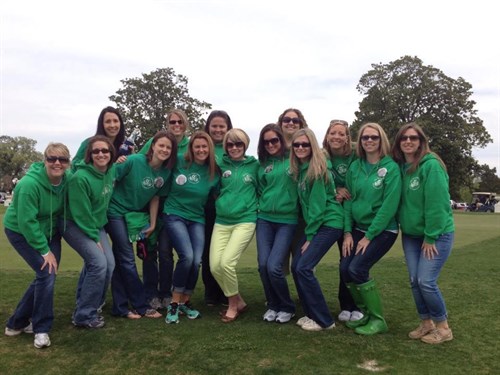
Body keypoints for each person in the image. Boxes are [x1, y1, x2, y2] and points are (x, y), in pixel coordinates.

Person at [392, 122, 454, 344]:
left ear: (421, 141)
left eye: (413, 138)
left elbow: (437, 205)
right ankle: (426, 323)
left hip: (435, 235)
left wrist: (431, 236)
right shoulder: (400, 167)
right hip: (410, 235)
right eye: (404, 138)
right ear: (399, 142)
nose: (408, 141)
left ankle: (443, 328)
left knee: (426, 281)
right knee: (414, 280)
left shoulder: (431, 166)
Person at [3, 143, 70, 349]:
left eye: (62, 159)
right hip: (20, 231)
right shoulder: (28, 185)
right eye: (52, 159)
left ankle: (16, 323)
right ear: (45, 160)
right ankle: (41, 329)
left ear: (68, 163)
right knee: (47, 274)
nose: (57, 163)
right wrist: (44, 250)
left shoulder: (67, 179)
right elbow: (27, 222)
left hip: (50, 232)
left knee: (45, 276)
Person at [106, 131, 177, 319]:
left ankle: (120, 307)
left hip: (135, 216)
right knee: (127, 258)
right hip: (115, 212)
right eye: (161, 145)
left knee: (121, 259)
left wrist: (152, 223)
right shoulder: (133, 161)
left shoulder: (165, 172)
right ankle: (141, 305)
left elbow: (155, 197)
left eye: (168, 147)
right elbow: (110, 179)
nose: (164, 149)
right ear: (153, 146)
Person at [341, 122, 402, 335]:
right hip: (358, 228)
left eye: (373, 137)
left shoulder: (391, 168)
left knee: (357, 269)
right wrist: (348, 232)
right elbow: (348, 200)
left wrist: (369, 235)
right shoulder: (355, 167)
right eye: (365, 137)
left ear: (381, 140)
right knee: (344, 269)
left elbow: (389, 206)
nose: (369, 141)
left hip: (384, 230)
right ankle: (365, 313)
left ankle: (378, 320)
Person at [289, 128, 344, 331]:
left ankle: (324, 320)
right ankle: (311, 313)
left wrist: (310, 237)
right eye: (297, 145)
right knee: (297, 267)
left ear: (312, 146)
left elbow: (318, 207)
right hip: (319, 225)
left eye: (305, 144)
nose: (301, 148)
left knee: (303, 267)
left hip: (329, 224)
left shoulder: (318, 170)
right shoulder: (301, 170)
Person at [163, 131, 220, 324]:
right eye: (197, 146)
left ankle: (185, 301)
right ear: (191, 148)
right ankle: (174, 303)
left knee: (196, 261)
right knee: (187, 256)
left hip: (197, 218)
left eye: (205, 146)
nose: (201, 150)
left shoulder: (213, 171)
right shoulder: (179, 161)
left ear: (210, 149)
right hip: (174, 214)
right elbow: (154, 164)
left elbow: (221, 195)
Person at [139, 109, 191, 309]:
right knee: (150, 251)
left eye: (180, 121)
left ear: (186, 124)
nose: (176, 125)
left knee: (166, 252)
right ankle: (150, 293)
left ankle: (166, 293)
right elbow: (141, 163)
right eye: (172, 121)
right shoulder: (156, 140)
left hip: (175, 207)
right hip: (152, 202)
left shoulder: (189, 145)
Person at [63, 136, 116, 329]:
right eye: (96, 151)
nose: (101, 154)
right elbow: (81, 214)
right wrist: (94, 238)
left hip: (96, 225)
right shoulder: (80, 178)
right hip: (75, 225)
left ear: (111, 154)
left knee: (109, 264)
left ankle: (90, 304)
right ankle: (84, 315)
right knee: (98, 263)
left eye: (105, 151)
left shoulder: (111, 172)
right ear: (90, 155)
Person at [210, 128, 259, 322]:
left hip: (245, 220)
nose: (234, 148)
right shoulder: (220, 163)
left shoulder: (255, 165)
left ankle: (232, 306)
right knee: (215, 266)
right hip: (222, 221)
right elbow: (213, 188)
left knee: (227, 263)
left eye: (238, 144)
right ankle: (238, 300)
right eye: (230, 144)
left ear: (245, 145)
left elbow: (265, 187)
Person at [256, 124, 299, 324]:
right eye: (267, 141)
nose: (271, 144)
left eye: (274, 140)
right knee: (263, 265)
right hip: (264, 219)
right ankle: (273, 304)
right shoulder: (262, 165)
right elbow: (259, 190)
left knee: (274, 266)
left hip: (287, 220)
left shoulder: (294, 159)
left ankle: (287, 306)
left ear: (281, 140)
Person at [322, 120, 363, 324]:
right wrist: (336, 190)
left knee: (350, 261)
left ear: (348, 137)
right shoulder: (323, 155)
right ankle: (345, 304)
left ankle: (353, 304)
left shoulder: (356, 153)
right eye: (333, 133)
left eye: (341, 134)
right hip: (333, 214)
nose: (337, 137)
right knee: (344, 260)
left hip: (355, 214)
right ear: (327, 135)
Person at [202, 110, 233, 306]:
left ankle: (225, 292)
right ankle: (210, 293)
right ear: (208, 127)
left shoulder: (232, 148)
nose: (218, 129)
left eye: (222, 126)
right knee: (207, 251)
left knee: (224, 252)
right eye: (214, 125)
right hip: (205, 206)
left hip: (227, 208)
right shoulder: (202, 147)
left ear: (228, 128)